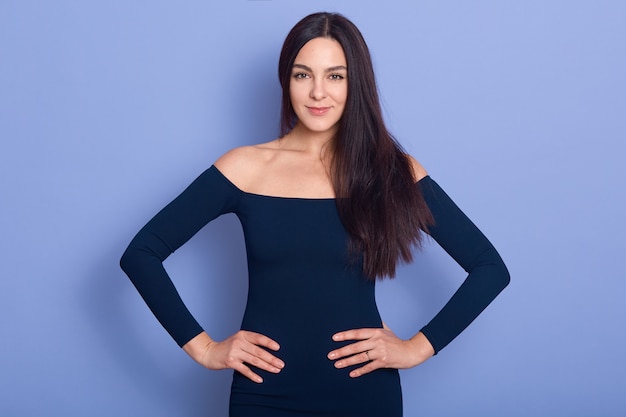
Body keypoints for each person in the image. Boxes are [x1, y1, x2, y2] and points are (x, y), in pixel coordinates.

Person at [120, 11, 510, 417]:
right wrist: (204, 347)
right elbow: (142, 253)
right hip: (263, 396)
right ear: (286, 81)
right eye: (303, 75)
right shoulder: (244, 168)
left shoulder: (393, 171)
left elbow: (489, 268)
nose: (318, 92)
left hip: (364, 395)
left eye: (335, 76)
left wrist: (416, 348)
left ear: (355, 83)